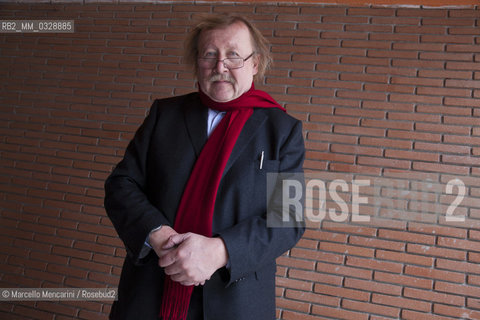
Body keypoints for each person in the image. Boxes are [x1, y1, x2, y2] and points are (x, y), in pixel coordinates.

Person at [104, 13, 305, 320]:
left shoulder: (282, 130)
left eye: (233, 55)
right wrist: (158, 235)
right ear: (197, 62)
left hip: (235, 301)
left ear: (255, 63)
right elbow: (121, 184)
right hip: (151, 292)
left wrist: (219, 251)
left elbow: (288, 217)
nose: (220, 66)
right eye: (209, 55)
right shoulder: (164, 115)